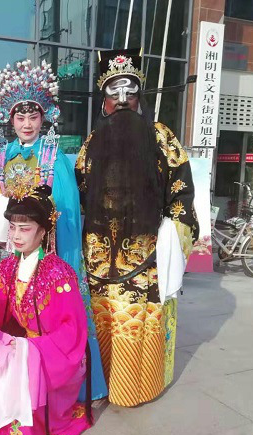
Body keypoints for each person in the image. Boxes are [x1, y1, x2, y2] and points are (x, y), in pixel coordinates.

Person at [0, 59, 108, 401]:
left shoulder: (54, 157)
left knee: (43, 317)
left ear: (43, 118)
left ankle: (51, 383)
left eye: (33, 116)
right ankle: (8, 380)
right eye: (20, 117)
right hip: (7, 255)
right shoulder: (0, 157)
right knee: (10, 312)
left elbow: (67, 210)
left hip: (44, 254)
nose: (27, 124)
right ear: (10, 119)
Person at [75, 48, 199, 407]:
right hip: (98, 253)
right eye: (113, 91)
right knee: (101, 316)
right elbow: (79, 190)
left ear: (139, 94)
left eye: (129, 90)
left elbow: (182, 190)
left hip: (145, 250)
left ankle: (135, 390)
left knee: (136, 320)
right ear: (104, 98)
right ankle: (100, 385)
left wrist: (172, 232)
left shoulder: (161, 137)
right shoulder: (92, 141)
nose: (122, 98)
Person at [0, 179, 93, 435]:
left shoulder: (59, 274)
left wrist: (31, 348)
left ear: (43, 232)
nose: (16, 236)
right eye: (12, 227)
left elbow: (72, 332)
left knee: (23, 428)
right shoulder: (8, 266)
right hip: (26, 348)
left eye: (24, 229)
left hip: (53, 353)